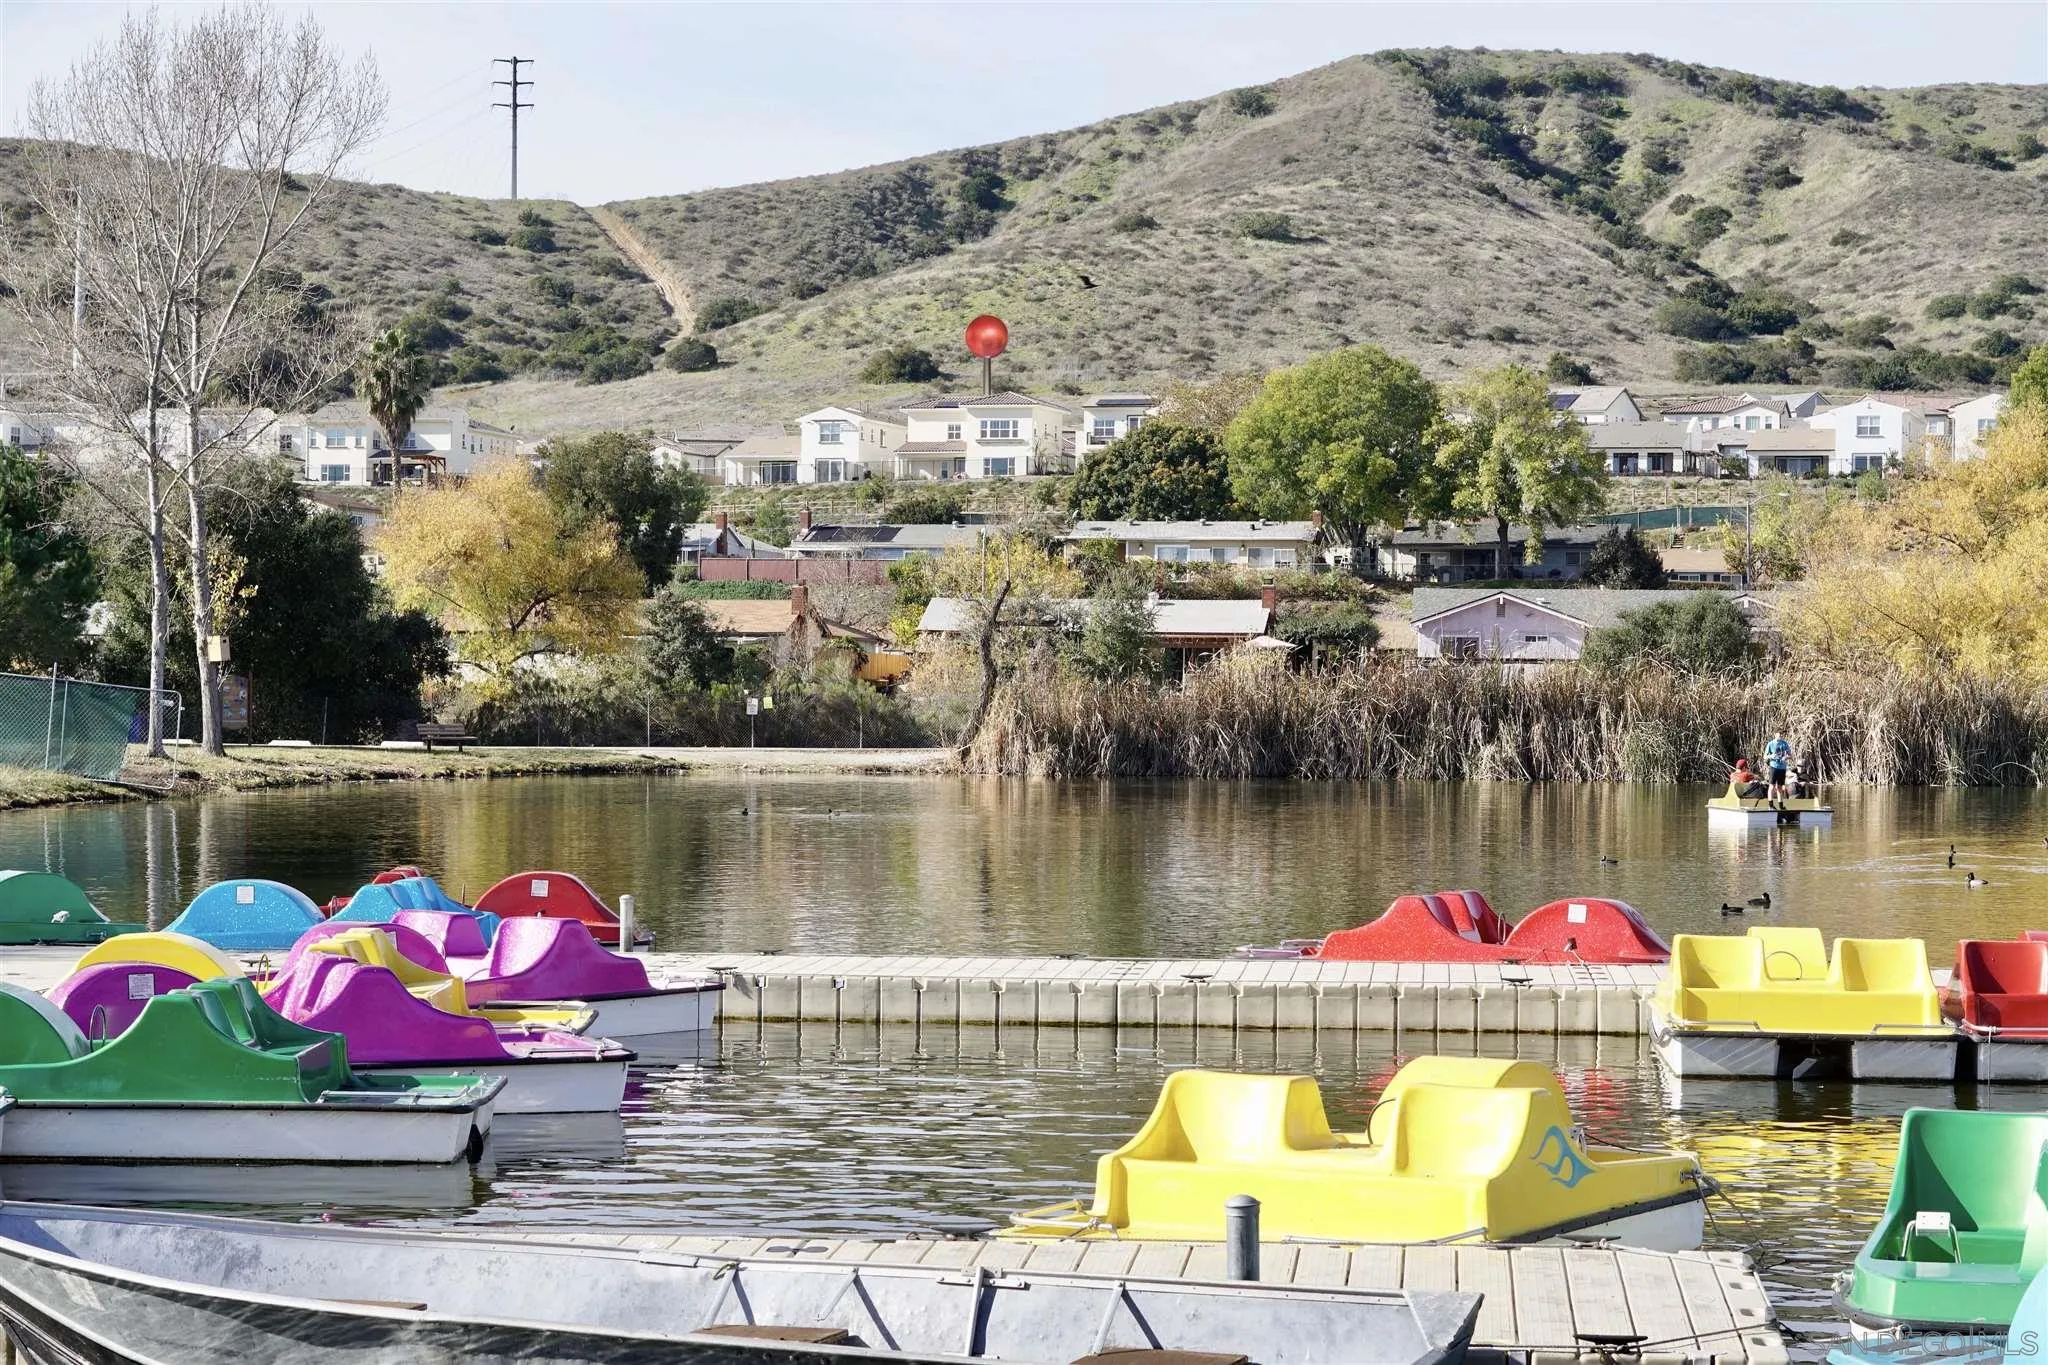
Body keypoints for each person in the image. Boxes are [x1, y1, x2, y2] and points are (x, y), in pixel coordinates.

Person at [1763, 730, 1793, 801]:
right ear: (1775, 734)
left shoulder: (1785, 744)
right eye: (1779, 734)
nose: (1780, 735)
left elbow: (1790, 755)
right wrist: (1771, 756)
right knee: (1771, 786)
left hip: (1782, 768)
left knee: (1780, 787)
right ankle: (1770, 805)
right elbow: (1765, 756)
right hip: (1774, 767)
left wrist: (1786, 757)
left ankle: (1781, 804)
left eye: (1781, 734)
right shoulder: (1770, 744)